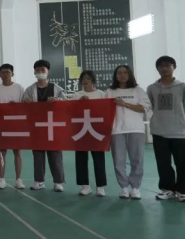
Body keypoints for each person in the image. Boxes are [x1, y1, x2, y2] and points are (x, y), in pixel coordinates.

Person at [106, 65, 151, 200]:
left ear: (129, 74)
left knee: (137, 160)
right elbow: (102, 108)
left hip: (136, 129)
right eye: (119, 73)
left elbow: (144, 108)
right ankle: (124, 187)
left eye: (125, 72)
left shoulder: (138, 90)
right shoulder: (110, 91)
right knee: (118, 161)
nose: (122, 75)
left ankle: (135, 188)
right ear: (115, 76)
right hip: (117, 130)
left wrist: (124, 104)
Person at [23, 60, 67, 192]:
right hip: (37, 127)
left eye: (43, 70)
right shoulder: (29, 90)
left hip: (53, 126)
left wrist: (57, 100)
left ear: (48, 72)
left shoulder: (57, 88)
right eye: (37, 70)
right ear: (34, 72)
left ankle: (58, 182)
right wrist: (25, 103)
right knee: (38, 155)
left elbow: (66, 104)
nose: (40, 72)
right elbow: (22, 106)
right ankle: (39, 181)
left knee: (55, 155)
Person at [148, 56, 185, 203]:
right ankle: (167, 189)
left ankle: (182, 190)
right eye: (161, 66)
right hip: (159, 131)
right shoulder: (152, 88)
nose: (164, 68)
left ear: (174, 67)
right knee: (163, 163)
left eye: (167, 65)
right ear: (157, 69)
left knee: (182, 163)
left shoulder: (182, 87)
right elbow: (151, 106)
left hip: (180, 132)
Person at [73, 71, 108, 197]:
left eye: (88, 78)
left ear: (93, 80)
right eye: (83, 79)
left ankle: (100, 186)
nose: (85, 81)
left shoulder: (101, 94)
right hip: (81, 130)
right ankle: (85, 186)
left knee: (98, 158)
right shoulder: (77, 95)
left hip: (96, 130)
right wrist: (79, 103)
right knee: (81, 158)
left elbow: (105, 110)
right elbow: (72, 111)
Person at [0, 64, 26, 190]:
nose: (5, 74)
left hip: (16, 124)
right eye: (3, 72)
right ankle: (1, 179)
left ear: (12, 73)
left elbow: (25, 105)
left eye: (8, 72)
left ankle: (18, 179)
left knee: (17, 151)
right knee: (2, 151)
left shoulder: (19, 88)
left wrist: (17, 105)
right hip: (1, 124)